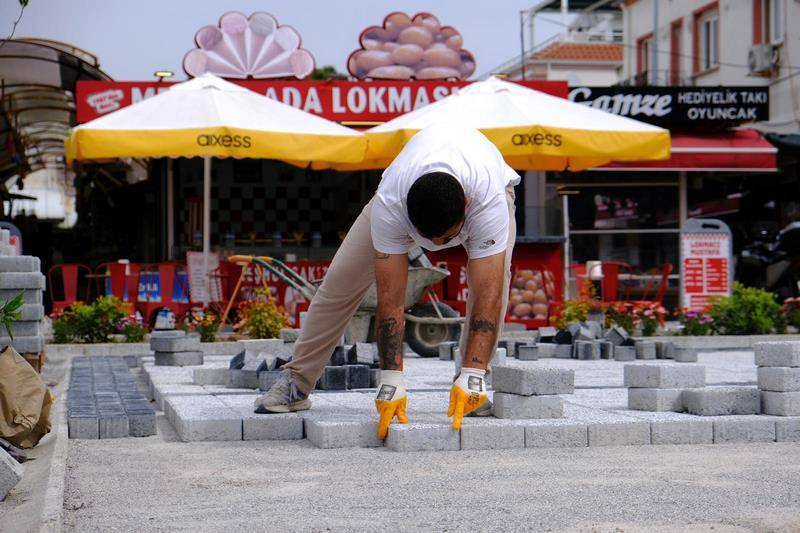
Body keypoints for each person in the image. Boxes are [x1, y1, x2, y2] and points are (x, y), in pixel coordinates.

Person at [254, 123, 519, 439]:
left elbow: (487, 293)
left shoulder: (486, 201)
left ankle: (473, 382)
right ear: (408, 218)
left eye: (446, 239)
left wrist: (473, 371)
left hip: (492, 186)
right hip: (404, 193)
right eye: (425, 239)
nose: (436, 245)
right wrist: (391, 378)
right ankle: (296, 382)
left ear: (465, 208)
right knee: (340, 281)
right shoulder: (391, 205)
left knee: (494, 284)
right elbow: (391, 300)